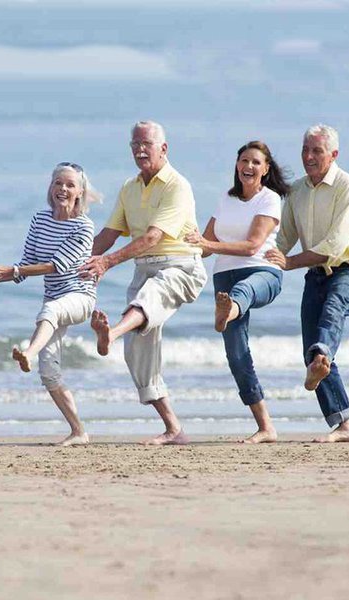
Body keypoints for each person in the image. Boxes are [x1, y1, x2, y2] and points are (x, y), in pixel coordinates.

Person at [80, 120, 206, 445]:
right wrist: (77, 260)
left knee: (150, 296)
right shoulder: (129, 187)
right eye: (134, 144)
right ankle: (174, 428)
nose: (139, 150)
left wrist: (107, 263)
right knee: (138, 354)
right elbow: (108, 235)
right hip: (144, 268)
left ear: (163, 149)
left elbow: (152, 237)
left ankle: (113, 332)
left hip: (181, 267)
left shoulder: (177, 185)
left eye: (146, 144)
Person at [265, 124, 349, 443]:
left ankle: (322, 356)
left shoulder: (347, 186)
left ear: (334, 155)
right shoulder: (296, 190)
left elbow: (334, 245)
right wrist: (263, 261)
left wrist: (289, 263)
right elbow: (284, 238)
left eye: (316, 151)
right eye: (305, 150)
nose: (308, 157)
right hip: (316, 274)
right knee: (311, 350)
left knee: (331, 317)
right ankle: (346, 424)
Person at [184, 141, 290, 444]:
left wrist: (208, 246)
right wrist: (177, 243)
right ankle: (266, 427)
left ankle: (228, 311)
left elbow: (253, 245)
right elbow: (204, 244)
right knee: (237, 354)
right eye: (245, 160)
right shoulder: (226, 199)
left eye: (256, 162)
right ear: (237, 165)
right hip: (224, 276)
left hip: (262, 272)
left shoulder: (269, 200)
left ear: (266, 169)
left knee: (243, 291)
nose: (250, 166)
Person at [0, 162, 100, 446]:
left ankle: (27, 351)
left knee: (49, 310)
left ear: (80, 192)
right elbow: (26, 263)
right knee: (49, 373)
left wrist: (14, 272)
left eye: (69, 185)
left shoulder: (84, 226)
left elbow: (57, 267)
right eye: (58, 183)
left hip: (80, 297)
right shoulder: (40, 219)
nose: (62, 189)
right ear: (50, 188)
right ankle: (79, 431)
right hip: (53, 300)